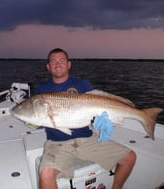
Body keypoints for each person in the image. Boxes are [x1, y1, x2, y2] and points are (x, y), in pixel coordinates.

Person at [35, 48, 136, 189]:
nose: (58, 64)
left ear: (69, 64)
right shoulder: (41, 89)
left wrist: (101, 121)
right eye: (53, 61)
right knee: (45, 174)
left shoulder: (82, 84)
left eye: (62, 60)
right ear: (48, 66)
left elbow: (96, 106)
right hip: (58, 143)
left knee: (129, 157)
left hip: (87, 139)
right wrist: (31, 122)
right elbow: (37, 118)